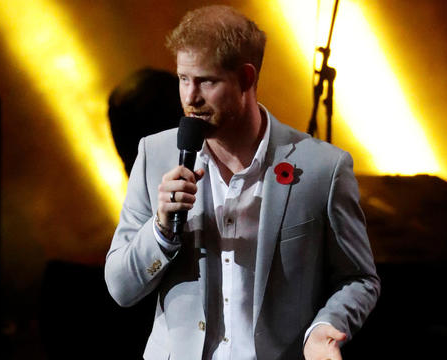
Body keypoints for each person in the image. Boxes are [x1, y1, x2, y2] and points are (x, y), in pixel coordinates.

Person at [105, 5, 380, 360]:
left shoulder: (322, 168)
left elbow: (360, 278)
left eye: (207, 81)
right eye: (183, 79)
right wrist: (160, 229)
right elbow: (120, 288)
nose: (191, 97)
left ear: (247, 79)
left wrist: (324, 328)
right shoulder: (155, 154)